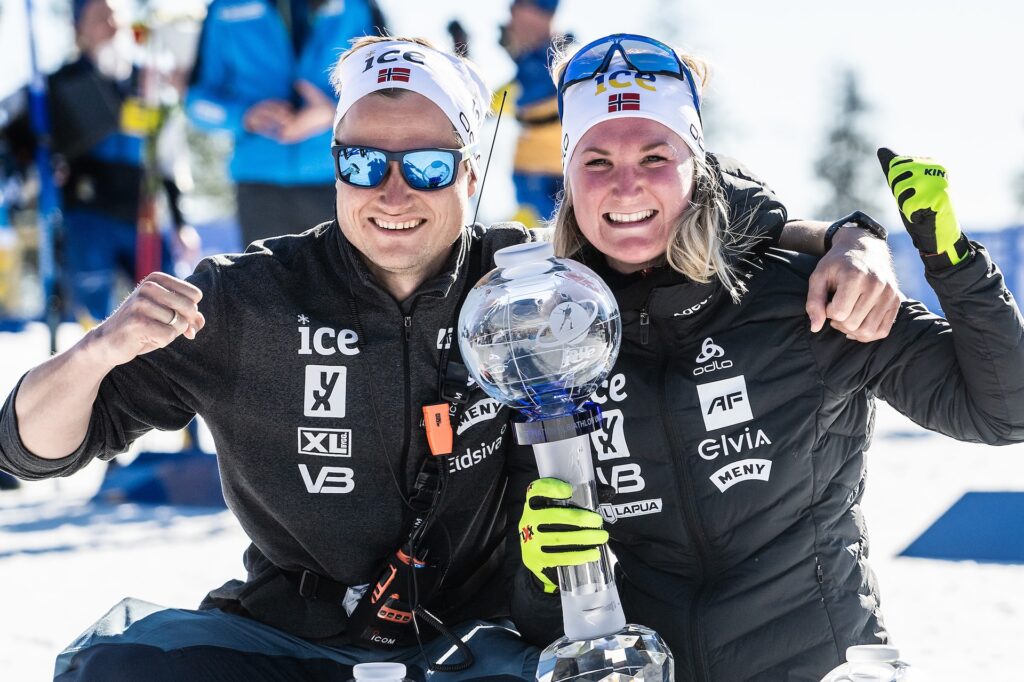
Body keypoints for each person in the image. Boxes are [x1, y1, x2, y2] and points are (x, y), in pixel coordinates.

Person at [0, 35, 899, 680]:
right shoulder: (246, 298)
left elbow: (684, 220)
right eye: (364, 163)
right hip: (287, 637)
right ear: (335, 166)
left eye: (428, 166)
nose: (394, 192)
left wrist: (850, 236)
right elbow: (28, 450)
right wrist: (99, 351)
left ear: (472, 171)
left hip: (478, 646)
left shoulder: (535, 286)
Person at [508, 34, 1024, 681]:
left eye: (655, 155)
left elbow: (1003, 414)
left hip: (820, 665)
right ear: (568, 177)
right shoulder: (550, 340)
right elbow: (538, 613)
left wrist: (952, 261)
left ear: (696, 163)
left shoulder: (805, 294)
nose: (627, 184)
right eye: (597, 160)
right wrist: (539, 573)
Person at [185, 0, 386, 247]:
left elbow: (391, 93)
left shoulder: (359, 6)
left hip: (340, 177)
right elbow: (196, 102)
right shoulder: (225, 8)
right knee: (263, 273)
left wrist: (334, 114)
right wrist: (244, 116)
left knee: (342, 272)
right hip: (259, 183)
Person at [46, 0, 198, 322]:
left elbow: (168, 155)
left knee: (167, 306)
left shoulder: (147, 80)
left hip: (142, 212)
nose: (112, 26)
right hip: (87, 214)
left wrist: (180, 221)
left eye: (115, 17)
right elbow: (36, 146)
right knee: (94, 316)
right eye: (100, 18)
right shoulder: (58, 84)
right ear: (79, 29)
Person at [496, 0, 566, 227]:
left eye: (517, 6)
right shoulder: (537, 63)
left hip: (542, 175)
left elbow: (518, 96)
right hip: (540, 172)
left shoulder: (547, 65)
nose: (510, 14)